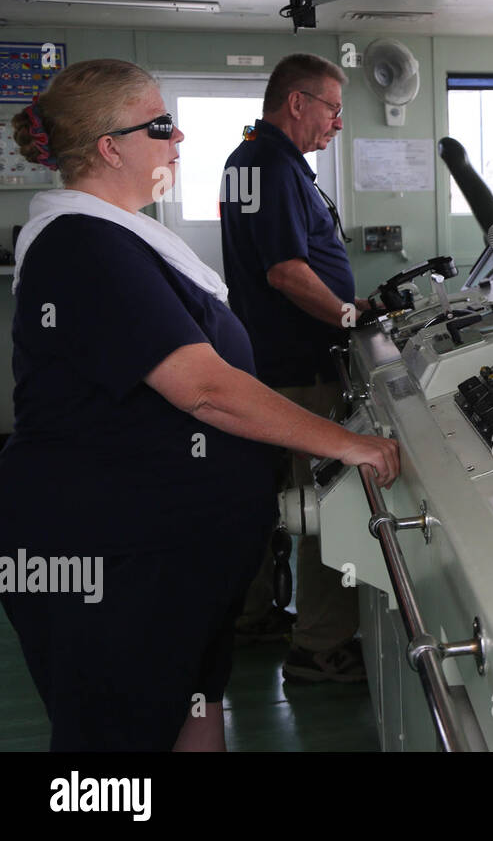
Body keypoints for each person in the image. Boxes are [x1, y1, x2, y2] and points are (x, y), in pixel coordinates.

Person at [0, 59, 400, 751]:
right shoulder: (82, 247)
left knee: (193, 710)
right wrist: (349, 444)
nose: (179, 136)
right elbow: (204, 388)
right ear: (110, 147)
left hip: (175, 559)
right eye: (160, 123)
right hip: (111, 562)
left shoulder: (123, 237)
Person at [219, 54, 372, 682]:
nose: (338, 122)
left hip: (265, 356)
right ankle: (320, 645)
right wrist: (348, 317)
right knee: (323, 498)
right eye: (333, 109)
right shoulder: (271, 162)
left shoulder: (245, 157)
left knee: (263, 493)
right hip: (301, 365)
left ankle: (250, 614)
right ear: (298, 103)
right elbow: (285, 270)